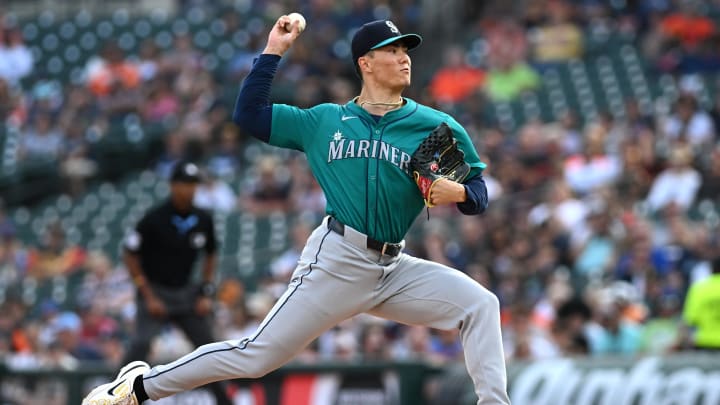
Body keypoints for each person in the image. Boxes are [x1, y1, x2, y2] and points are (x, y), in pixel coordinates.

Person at [82, 16, 510, 405]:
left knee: (480, 305)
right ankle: (138, 387)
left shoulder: (435, 126)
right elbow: (249, 115)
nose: (404, 59)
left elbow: (478, 192)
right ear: (365, 62)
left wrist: (460, 194)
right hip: (339, 259)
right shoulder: (324, 121)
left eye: (405, 51)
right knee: (255, 356)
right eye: (393, 50)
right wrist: (273, 50)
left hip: (394, 268)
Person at [114, 161, 232, 405]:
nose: (189, 190)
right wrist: (147, 294)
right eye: (184, 184)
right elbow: (129, 254)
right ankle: (115, 398)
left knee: (210, 349)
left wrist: (205, 292)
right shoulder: (154, 219)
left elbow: (211, 254)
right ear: (172, 185)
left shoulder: (203, 219)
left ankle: (224, 402)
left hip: (186, 293)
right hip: (155, 291)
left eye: (193, 184)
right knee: (140, 344)